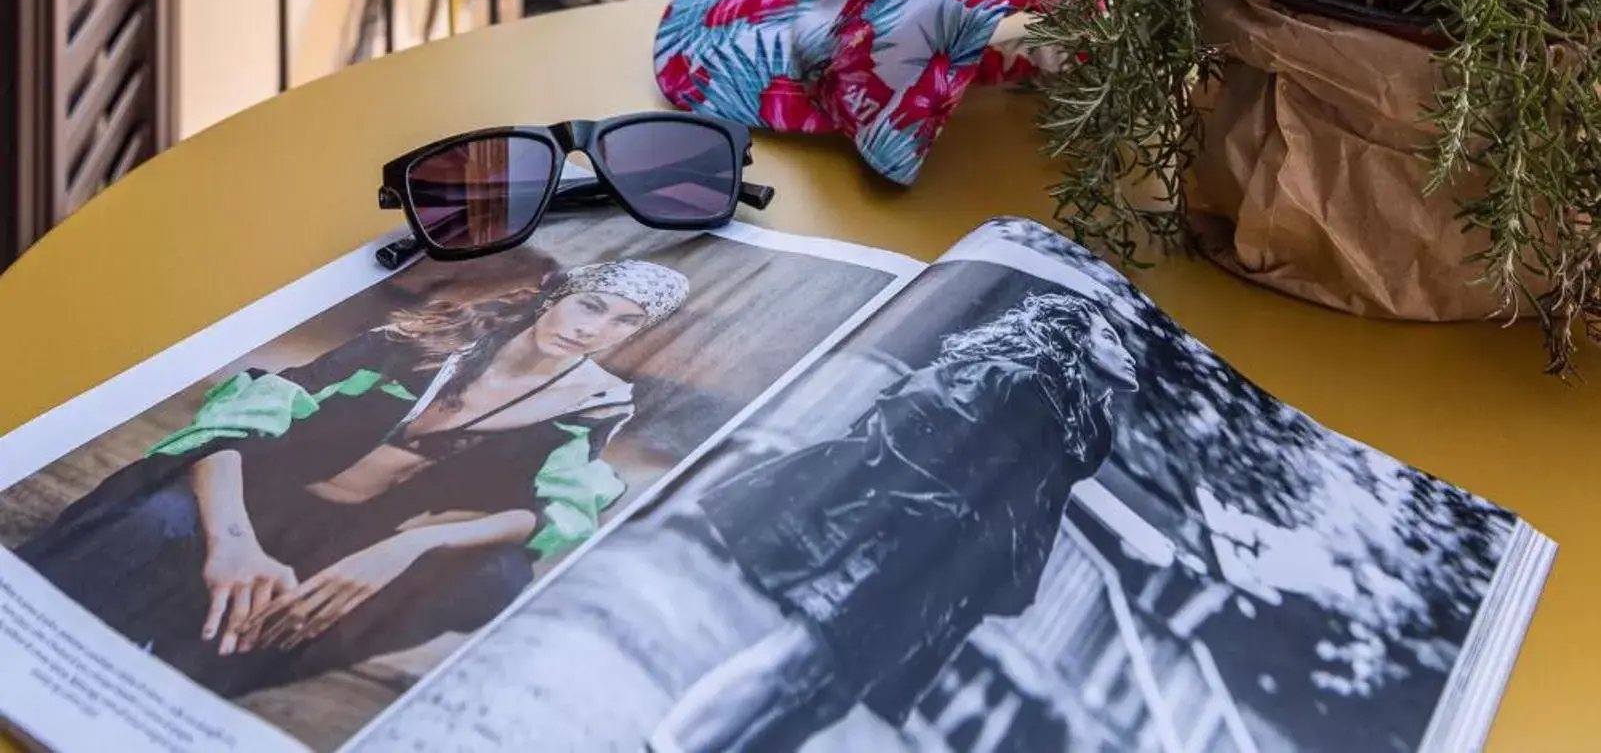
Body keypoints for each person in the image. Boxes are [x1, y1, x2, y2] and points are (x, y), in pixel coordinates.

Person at [21, 256, 688, 698]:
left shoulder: (596, 399)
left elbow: (554, 508)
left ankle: (220, 668)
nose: (594, 330)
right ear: (559, 294)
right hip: (256, 489)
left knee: (498, 573)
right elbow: (240, 418)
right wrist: (232, 540)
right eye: (592, 305)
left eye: (626, 322)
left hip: (359, 535)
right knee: (157, 519)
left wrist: (409, 544)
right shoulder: (427, 339)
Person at [653, 291, 1137, 753]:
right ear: (1073, 337)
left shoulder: (1086, 434)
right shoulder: (1012, 379)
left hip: (947, 577)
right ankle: (666, 745)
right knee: (799, 655)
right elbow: (912, 416)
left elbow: (1035, 510)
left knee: (832, 699)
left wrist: (1000, 569)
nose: (1126, 352)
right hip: (901, 544)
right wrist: (926, 513)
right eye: (1109, 337)